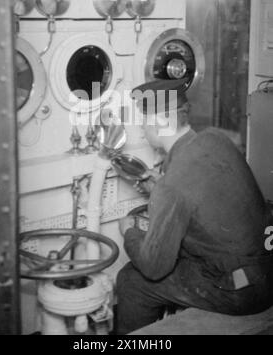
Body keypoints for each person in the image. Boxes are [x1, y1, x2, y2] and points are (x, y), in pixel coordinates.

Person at [116, 80, 273, 335]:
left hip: (242, 290)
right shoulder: (215, 139)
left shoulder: (172, 184)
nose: (142, 128)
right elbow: (205, 193)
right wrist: (161, 188)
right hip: (266, 269)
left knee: (132, 280)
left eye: (144, 119)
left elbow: (154, 268)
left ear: (160, 121)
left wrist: (129, 233)